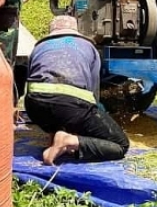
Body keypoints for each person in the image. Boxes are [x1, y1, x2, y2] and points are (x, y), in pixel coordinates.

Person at [23, 15, 129, 165]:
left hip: (35, 108)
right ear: (75, 30)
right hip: (70, 107)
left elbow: (31, 81)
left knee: (58, 108)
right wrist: (94, 119)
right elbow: (93, 93)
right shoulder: (88, 47)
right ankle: (68, 140)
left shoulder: (38, 47)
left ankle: (54, 134)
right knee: (120, 145)